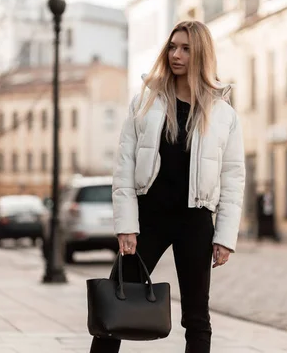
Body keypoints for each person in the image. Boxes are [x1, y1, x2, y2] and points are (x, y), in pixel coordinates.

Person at [90, 20, 245, 353]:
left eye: (186, 49)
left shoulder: (223, 114)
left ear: (201, 54)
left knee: (197, 318)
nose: (176, 55)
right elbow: (124, 167)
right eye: (173, 47)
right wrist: (126, 226)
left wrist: (225, 237)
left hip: (195, 220)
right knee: (112, 307)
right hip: (148, 218)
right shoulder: (146, 102)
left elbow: (233, 177)